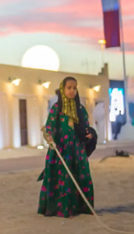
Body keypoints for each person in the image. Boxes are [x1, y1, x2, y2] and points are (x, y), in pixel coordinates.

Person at [38, 77, 94, 218]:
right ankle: (60, 209)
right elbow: (49, 127)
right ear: (63, 89)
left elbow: (85, 128)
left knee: (80, 177)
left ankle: (80, 208)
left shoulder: (80, 110)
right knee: (62, 178)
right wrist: (49, 136)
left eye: (74, 88)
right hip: (60, 150)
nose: (72, 91)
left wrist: (89, 135)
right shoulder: (57, 108)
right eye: (69, 87)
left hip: (77, 151)